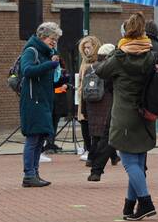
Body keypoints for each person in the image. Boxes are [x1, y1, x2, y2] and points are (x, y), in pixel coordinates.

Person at [95, 12, 158, 221]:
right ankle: (130, 207)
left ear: (126, 33)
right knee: (138, 163)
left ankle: (146, 202)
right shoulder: (151, 55)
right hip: (145, 114)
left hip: (124, 115)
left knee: (129, 162)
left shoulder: (119, 57)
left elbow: (100, 71)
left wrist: (115, 51)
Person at [18, 22, 63, 187]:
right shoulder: (31, 51)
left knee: (40, 139)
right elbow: (27, 70)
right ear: (43, 37)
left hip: (43, 101)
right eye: (52, 38)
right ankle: (29, 175)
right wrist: (49, 65)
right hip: (32, 102)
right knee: (33, 138)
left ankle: (35, 173)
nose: (54, 42)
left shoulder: (47, 53)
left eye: (56, 39)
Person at [86, 43, 120, 182]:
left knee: (104, 137)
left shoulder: (91, 67)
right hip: (115, 103)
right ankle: (141, 168)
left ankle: (96, 169)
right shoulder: (117, 65)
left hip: (98, 105)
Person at [76, 35, 102, 163]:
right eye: (84, 47)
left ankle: (94, 152)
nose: (86, 50)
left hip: (94, 96)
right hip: (83, 96)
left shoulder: (98, 61)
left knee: (95, 124)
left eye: (89, 47)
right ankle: (89, 150)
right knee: (84, 122)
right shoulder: (84, 61)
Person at [46, 56, 71, 153]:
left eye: (57, 59)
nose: (55, 61)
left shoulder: (63, 71)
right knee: (49, 122)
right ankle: (48, 144)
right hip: (49, 99)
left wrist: (66, 86)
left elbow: (69, 82)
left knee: (55, 122)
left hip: (59, 100)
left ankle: (51, 143)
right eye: (53, 59)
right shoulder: (47, 71)